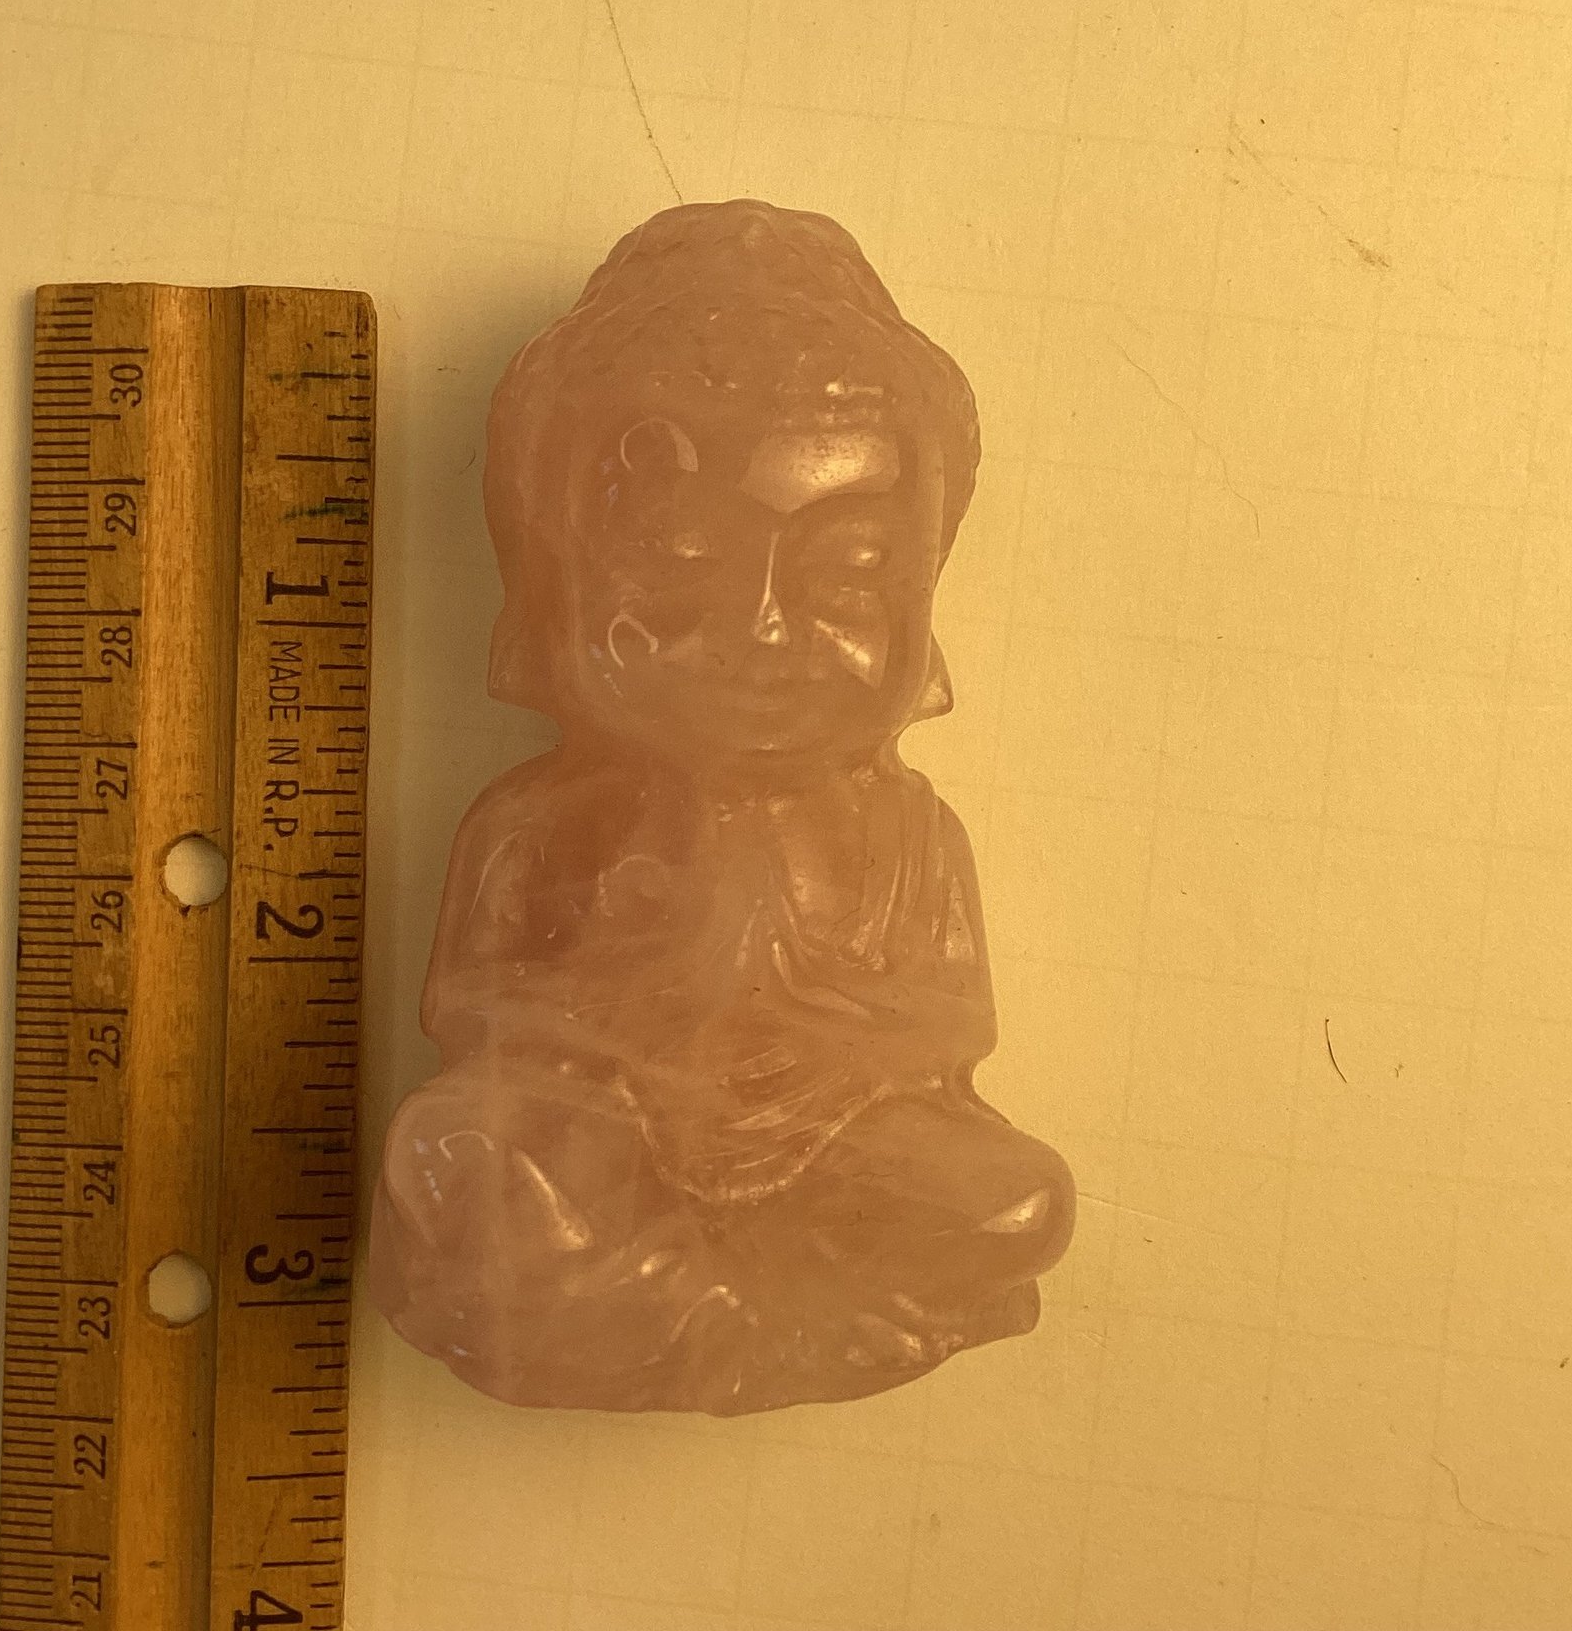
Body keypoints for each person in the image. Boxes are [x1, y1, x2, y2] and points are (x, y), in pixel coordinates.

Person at [370, 199, 1074, 1413]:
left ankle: (657, 1304)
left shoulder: (909, 836)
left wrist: (805, 1058)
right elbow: (476, 1017)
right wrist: (630, 1032)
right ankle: (744, 1307)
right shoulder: (537, 818)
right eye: (685, 561)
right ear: (545, 584)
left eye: (848, 569)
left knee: (1016, 1200)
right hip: (602, 1123)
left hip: (839, 1127)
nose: (762, 628)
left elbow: (944, 1040)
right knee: (452, 1153)